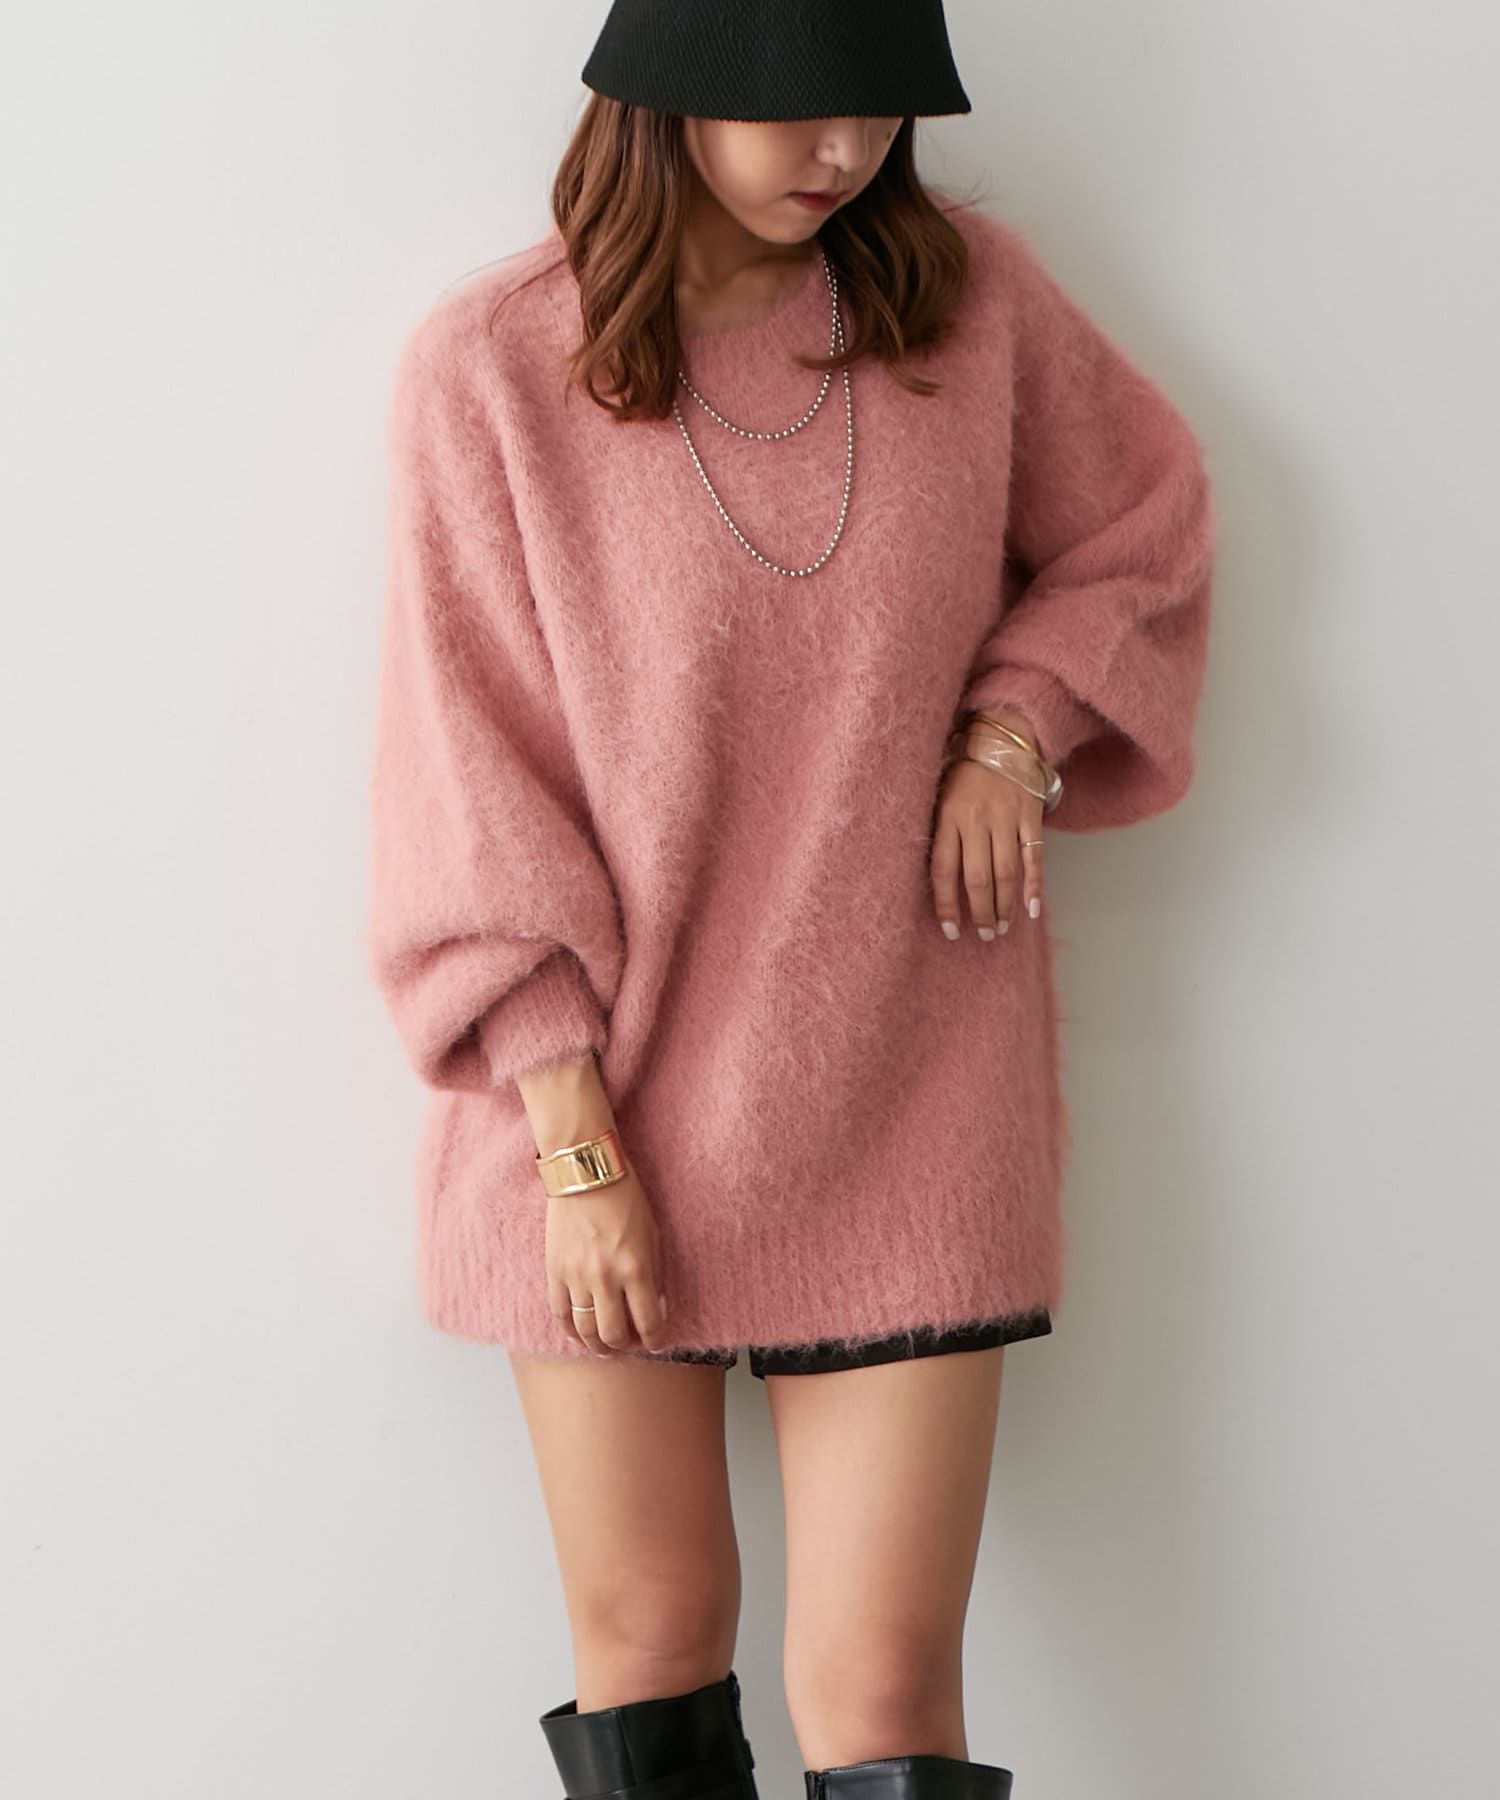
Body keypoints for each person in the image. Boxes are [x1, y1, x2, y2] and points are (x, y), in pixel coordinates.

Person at [364, 3, 1216, 1795]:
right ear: (673, 89)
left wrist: (1014, 733)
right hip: (597, 1114)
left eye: (881, 110)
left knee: (885, 1697)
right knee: (654, 1647)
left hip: (911, 1098)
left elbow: (1145, 526)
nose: (846, 152)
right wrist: (574, 1149)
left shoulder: (967, 312)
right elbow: (470, 781)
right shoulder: (491, 371)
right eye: (800, 110)